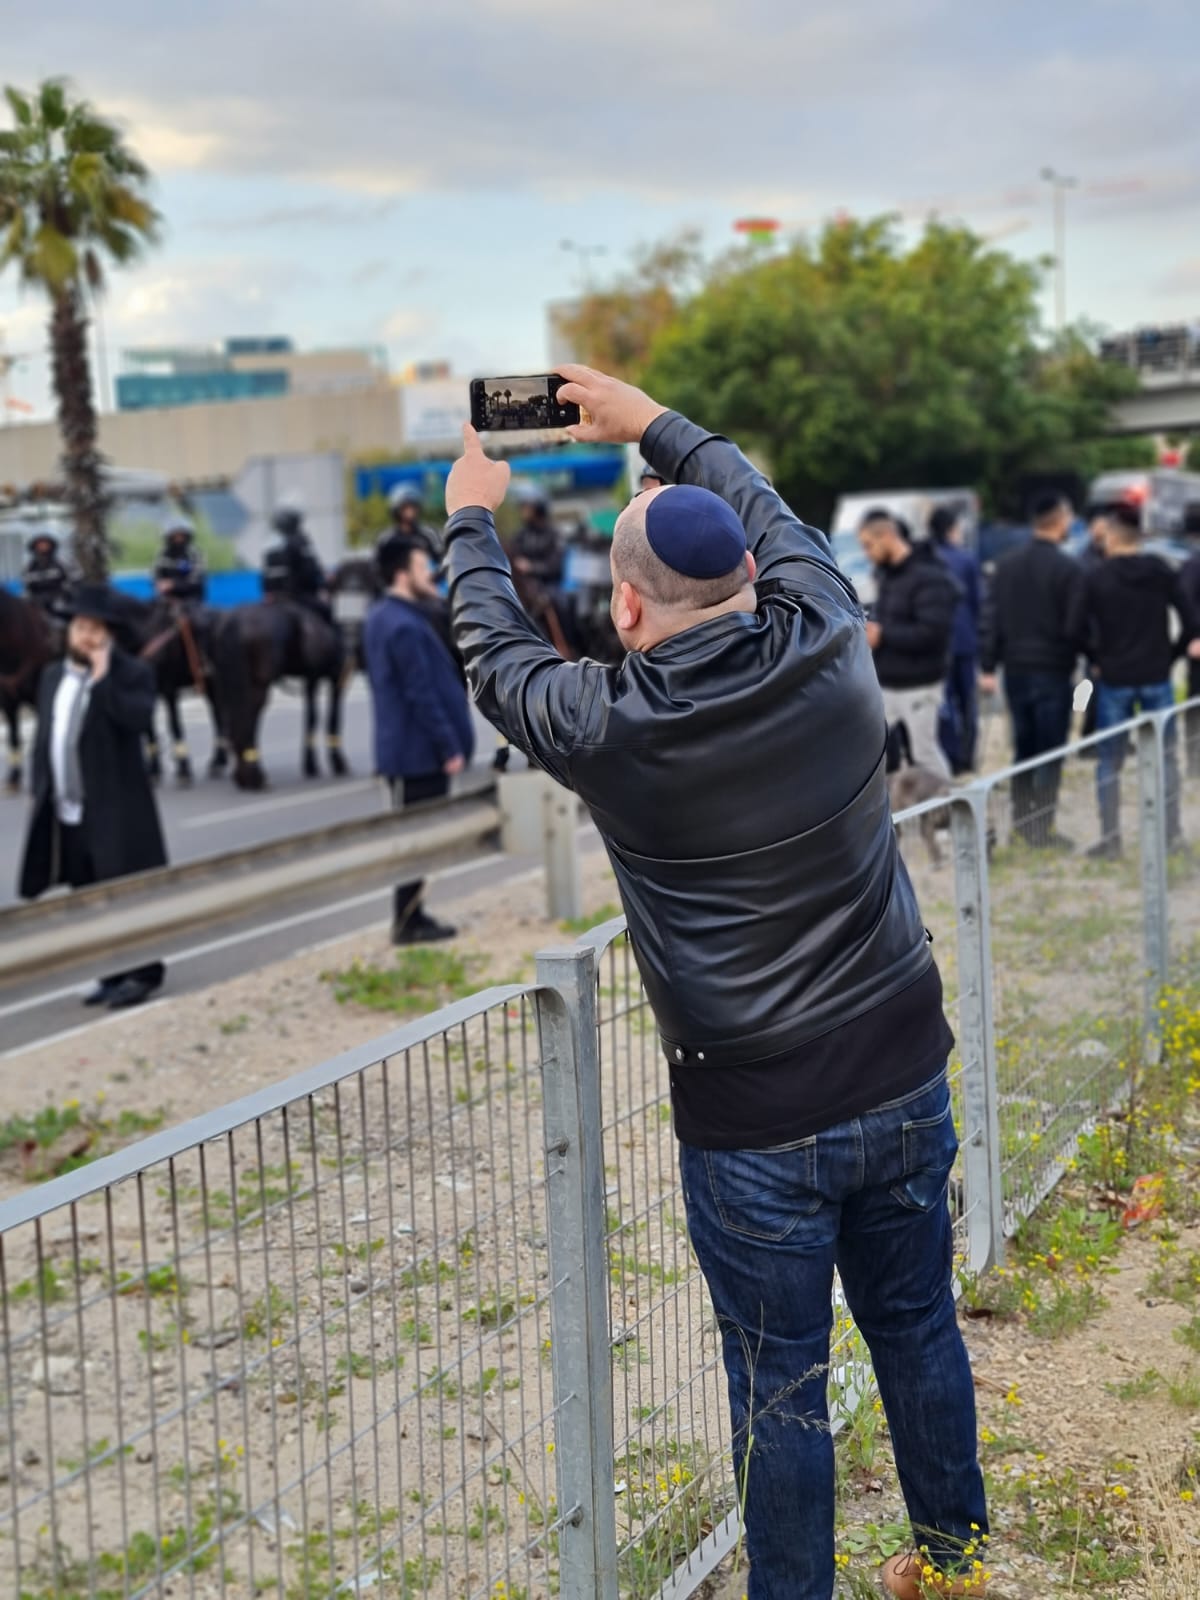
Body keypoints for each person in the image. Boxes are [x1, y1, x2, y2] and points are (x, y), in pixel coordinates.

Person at [442, 365, 987, 1600]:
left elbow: (494, 650)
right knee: (918, 1324)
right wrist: (653, 423)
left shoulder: (607, 726)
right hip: (904, 1064)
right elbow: (767, 505)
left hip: (754, 1118)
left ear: (626, 614)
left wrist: (472, 514)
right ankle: (958, 1555)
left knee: (780, 1388)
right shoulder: (831, 637)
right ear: (753, 577)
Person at [18, 585, 168, 1008]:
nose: (86, 637)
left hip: (117, 811)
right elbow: (45, 741)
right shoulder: (51, 678)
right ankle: (111, 972)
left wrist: (103, 679)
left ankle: (143, 972)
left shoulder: (131, 675)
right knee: (87, 895)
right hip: (69, 809)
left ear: (110, 636)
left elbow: (136, 720)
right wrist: (38, 790)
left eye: (96, 630)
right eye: (81, 628)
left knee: (125, 893)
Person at [363, 536, 475, 945]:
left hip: (404, 750)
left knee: (415, 839)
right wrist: (449, 747)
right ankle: (408, 921)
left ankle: (411, 915)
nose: (430, 571)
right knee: (419, 841)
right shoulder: (404, 626)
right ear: (401, 574)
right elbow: (420, 692)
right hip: (419, 753)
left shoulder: (383, 616)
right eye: (421, 564)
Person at [1069, 502, 1192, 859]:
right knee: (1166, 757)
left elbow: (1072, 629)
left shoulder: (1096, 577)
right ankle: (1171, 834)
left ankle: (1111, 838)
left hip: (1115, 678)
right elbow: (1190, 620)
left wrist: (1097, 659)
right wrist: (1171, 655)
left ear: (1109, 537)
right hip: (1156, 675)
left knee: (1110, 761)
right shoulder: (1160, 571)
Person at [978, 494, 1082, 849]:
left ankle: (1023, 822)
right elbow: (1075, 626)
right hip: (1053, 670)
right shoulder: (1068, 569)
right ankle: (1042, 827)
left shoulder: (1005, 566)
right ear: (1060, 520)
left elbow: (990, 620)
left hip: (1016, 670)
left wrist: (989, 665)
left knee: (1024, 749)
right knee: (1051, 751)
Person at [858, 510, 959, 781]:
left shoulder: (930, 576)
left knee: (924, 755)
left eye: (869, 545)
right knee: (876, 753)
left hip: (920, 683)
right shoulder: (888, 576)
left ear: (888, 536)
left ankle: (949, 815)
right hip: (888, 681)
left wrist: (883, 635)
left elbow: (933, 634)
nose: (866, 553)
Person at [929, 505, 982, 774]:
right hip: (965, 641)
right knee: (968, 702)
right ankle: (967, 756)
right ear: (951, 529)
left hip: (936, 644)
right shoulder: (966, 559)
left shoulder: (928, 559)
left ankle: (949, 755)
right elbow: (976, 602)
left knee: (944, 702)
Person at [262, 496, 327, 610]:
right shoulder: (300, 540)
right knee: (328, 612)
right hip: (299, 598)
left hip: (272, 601)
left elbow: (265, 578)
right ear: (297, 518)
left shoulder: (269, 544)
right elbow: (311, 572)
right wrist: (324, 583)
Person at [511, 484, 565, 591]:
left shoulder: (553, 534)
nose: (522, 509)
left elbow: (555, 566)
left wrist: (531, 567)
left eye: (526, 505)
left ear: (538, 507)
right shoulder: (522, 533)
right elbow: (514, 555)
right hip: (525, 585)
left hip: (548, 585)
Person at [377, 484, 443, 563]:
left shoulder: (429, 534)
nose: (410, 512)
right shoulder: (387, 539)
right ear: (396, 510)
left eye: (413, 507)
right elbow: (377, 567)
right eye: (405, 507)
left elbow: (441, 559)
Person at [1180, 544, 1200, 776]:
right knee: (1196, 706)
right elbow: (1184, 598)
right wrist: (1195, 634)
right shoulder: (1194, 564)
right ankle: (1195, 762)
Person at [153, 519, 207, 604]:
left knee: (191, 614)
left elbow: (196, 580)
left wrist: (173, 584)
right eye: (175, 536)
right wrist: (159, 584)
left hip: (191, 599)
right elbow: (156, 575)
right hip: (167, 599)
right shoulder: (163, 554)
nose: (179, 539)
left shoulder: (194, 554)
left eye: (181, 536)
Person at [22, 533, 71, 611]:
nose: (43, 546)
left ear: (51, 545)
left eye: (45, 544)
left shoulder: (62, 562)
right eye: (40, 544)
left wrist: (64, 594)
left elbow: (73, 580)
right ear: (34, 547)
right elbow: (27, 587)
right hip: (38, 601)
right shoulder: (29, 567)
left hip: (60, 599)